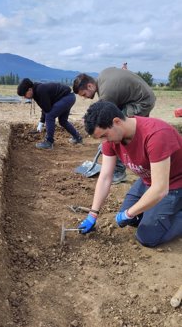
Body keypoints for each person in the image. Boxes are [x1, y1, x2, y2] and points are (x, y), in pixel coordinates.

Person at [77, 100, 182, 247]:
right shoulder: (111, 139)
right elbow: (106, 177)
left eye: (105, 135)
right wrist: (92, 214)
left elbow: (160, 189)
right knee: (132, 219)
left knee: (147, 237)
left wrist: (128, 214)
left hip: (175, 182)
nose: (104, 141)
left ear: (117, 121)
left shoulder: (156, 135)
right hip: (149, 178)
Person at [73, 68, 156, 184]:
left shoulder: (107, 92)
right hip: (137, 98)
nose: (85, 97)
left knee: (116, 131)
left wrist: (105, 143)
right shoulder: (102, 77)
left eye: (84, 94)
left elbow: (106, 121)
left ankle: (119, 171)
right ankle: (144, 162)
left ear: (90, 86)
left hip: (141, 102)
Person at [17, 78, 82, 149]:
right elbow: (44, 107)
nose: (24, 97)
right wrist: (41, 122)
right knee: (62, 121)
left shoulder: (40, 90)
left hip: (67, 97)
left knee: (50, 116)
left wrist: (42, 121)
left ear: (29, 89)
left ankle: (49, 142)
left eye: (24, 94)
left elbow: (47, 109)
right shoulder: (36, 92)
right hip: (68, 97)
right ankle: (77, 137)